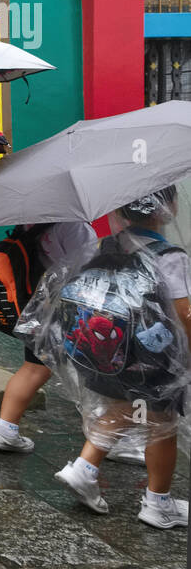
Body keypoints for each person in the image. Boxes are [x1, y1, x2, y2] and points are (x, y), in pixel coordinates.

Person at [52, 188, 190, 529]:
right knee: (162, 423)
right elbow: (184, 314)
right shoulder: (170, 255)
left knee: (124, 407)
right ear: (168, 208)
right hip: (153, 358)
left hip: (109, 353)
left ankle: (85, 468)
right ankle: (158, 503)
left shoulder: (107, 245)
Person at [0, 221, 98, 453]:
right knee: (98, 367)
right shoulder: (75, 227)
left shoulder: (32, 220)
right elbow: (89, 272)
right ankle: (109, 435)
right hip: (64, 307)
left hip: (36, 304)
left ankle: (5, 427)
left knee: (34, 367)